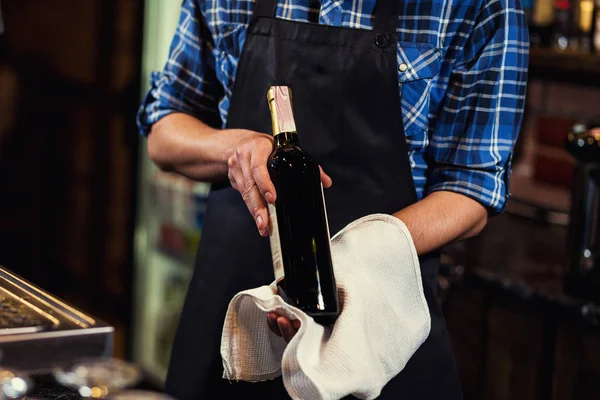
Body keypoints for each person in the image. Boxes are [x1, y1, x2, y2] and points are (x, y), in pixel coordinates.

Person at [136, 0, 529, 398]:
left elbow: (471, 189)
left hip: (377, 318)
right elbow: (165, 131)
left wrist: (346, 261)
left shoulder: (479, 7)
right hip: (233, 323)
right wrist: (233, 146)